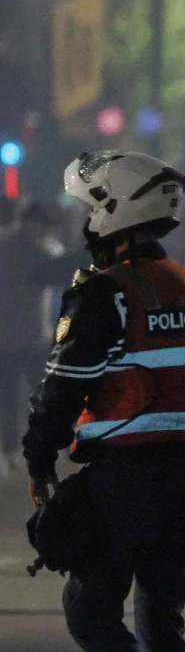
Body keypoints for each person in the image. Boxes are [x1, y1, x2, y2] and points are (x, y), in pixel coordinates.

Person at [23, 151, 185, 652]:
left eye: (89, 210)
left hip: (123, 482)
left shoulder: (104, 294)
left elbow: (62, 392)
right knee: (162, 618)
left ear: (113, 212)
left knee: (90, 613)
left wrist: (38, 459)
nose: (85, 223)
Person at [0, 202, 74, 472]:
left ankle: (10, 451)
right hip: (31, 336)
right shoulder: (41, 251)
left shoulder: (6, 245)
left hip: (8, 337)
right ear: (34, 224)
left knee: (10, 399)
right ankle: (52, 444)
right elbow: (60, 276)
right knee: (42, 394)